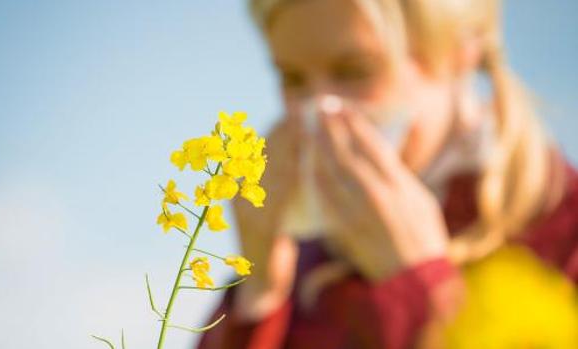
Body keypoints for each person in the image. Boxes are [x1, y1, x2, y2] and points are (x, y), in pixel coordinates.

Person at [197, 0, 578, 348]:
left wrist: (420, 288)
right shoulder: (303, 249)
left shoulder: (562, 226)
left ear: (462, 54)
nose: (318, 109)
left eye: (353, 71)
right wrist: (258, 295)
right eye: (293, 79)